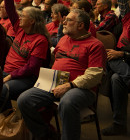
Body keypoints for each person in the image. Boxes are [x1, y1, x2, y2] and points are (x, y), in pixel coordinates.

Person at [17, 8, 106, 140]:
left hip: (81, 88)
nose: (63, 22)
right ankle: (45, 135)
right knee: (24, 100)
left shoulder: (95, 45)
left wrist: (70, 85)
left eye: (68, 20)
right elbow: (54, 59)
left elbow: (95, 75)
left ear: (80, 25)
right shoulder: (64, 39)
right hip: (56, 82)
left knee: (67, 102)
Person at [0, 0, 49, 112]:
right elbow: (9, 6)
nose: (18, 17)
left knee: (1, 90)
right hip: (7, 72)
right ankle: (3, 118)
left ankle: (7, 120)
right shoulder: (19, 28)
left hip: (24, 78)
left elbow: (32, 68)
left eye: (23, 16)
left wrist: (10, 76)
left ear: (32, 21)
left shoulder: (40, 40)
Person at [101, 0, 130, 136]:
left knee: (115, 76)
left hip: (128, 60)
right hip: (121, 61)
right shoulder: (128, 19)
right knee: (112, 71)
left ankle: (119, 123)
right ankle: (119, 123)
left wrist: (122, 56)